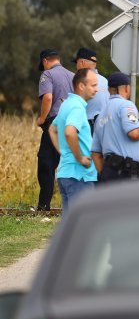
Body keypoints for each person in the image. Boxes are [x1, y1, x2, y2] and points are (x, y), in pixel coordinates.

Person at [47, 68, 98, 214]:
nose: (97, 89)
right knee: (84, 224)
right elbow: (70, 132)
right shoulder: (77, 107)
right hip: (79, 175)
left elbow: (52, 129)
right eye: (93, 85)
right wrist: (79, 158)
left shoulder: (67, 104)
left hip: (65, 173)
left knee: (71, 227)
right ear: (81, 86)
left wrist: (63, 152)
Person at [91, 72, 139, 182]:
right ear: (126, 88)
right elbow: (134, 133)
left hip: (108, 172)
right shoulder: (126, 105)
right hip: (126, 172)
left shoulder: (100, 116)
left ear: (109, 90)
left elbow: (95, 154)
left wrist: (104, 175)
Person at [35, 49, 74, 211]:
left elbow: (48, 97)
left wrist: (42, 118)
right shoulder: (73, 76)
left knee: (46, 163)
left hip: (55, 123)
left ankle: (44, 205)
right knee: (70, 163)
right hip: (72, 123)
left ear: (45, 61)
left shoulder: (47, 75)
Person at [72, 47, 109, 133]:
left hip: (87, 127)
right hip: (105, 127)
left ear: (82, 62)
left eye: (76, 63)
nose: (76, 66)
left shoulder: (80, 81)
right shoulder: (105, 81)